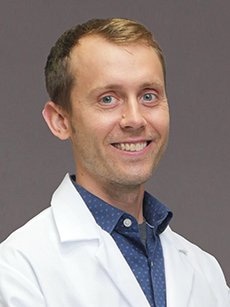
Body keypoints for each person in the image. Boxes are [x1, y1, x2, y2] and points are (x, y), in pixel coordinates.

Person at [0, 18, 229, 307]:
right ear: (60, 121)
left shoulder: (205, 271)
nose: (134, 119)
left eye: (148, 96)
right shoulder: (18, 270)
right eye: (108, 99)